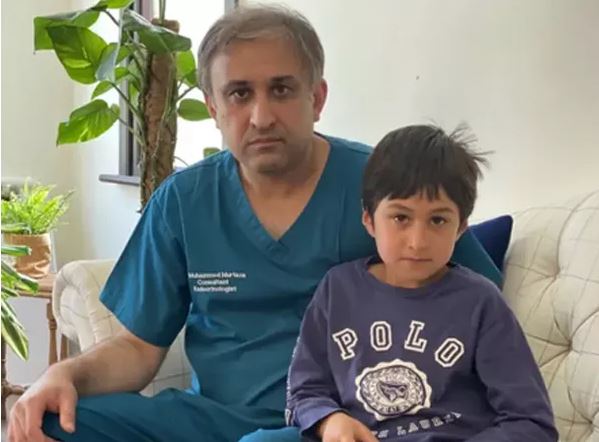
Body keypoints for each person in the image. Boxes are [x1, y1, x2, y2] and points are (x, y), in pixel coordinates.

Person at [7, 7, 502, 442]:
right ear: (214, 107)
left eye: (281, 90)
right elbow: (138, 347)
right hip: (210, 420)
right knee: (51, 421)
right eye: (239, 94)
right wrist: (64, 375)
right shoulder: (184, 201)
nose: (261, 116)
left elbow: (475, 301)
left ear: (317, 97)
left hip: (339, 426)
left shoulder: (383, 186)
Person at [285, 125, 558, 442]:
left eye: (438, 220)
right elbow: (304, 389)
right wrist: (329, 420)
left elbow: (532, 422)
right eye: (400, 218)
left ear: (460, 228)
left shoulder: (481, 301)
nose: (417, 242)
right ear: (369, 220)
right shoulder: (338, 289)